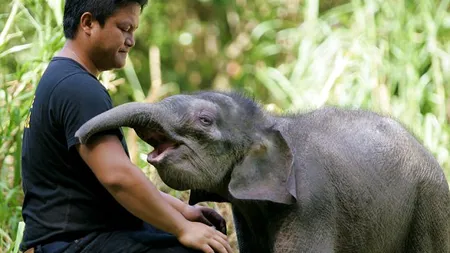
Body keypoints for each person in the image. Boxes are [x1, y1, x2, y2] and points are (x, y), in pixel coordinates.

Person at [20, 0, 232, 252]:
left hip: (74, 239)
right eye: (124, 28)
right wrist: (183, 228)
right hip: (71, 243)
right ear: (88, 23)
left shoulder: (61, 78)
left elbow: (111, 180)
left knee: (205, 234)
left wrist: (184, 211)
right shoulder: (79, 88)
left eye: (133, 31)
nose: (131, 40)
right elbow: (117, 176)